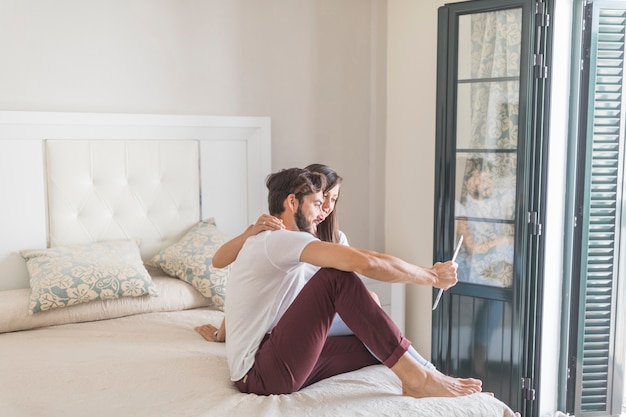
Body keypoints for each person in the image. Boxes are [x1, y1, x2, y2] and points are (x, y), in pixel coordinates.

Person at [224, 167, 483, 398]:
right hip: (261, 373)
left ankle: (435, 378)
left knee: (373, 340)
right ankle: (420, 379)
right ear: (292, 202)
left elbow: (250, 305)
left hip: (273, 364)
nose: (322, 212)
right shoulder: (277, 239)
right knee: (335, 276)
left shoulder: (275, 242)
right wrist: (432, 276)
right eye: (316, 203)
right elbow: (365, 262)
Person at [195, 164, 436, 370]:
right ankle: (422, 371)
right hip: (285, 325)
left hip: (313, 321)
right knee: (369, 321)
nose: (327, 207)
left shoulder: (335, 239)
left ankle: (422, 371)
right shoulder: (276, 235)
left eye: (333, 200)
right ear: (297, 200)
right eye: (321, 200)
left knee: (370, 314)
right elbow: (248, 289)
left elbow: (353, 297)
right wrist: (224, 332)